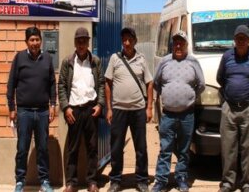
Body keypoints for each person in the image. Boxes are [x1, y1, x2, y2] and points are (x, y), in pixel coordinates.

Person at [216, 25, 249, 192]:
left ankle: (247, 183)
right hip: (229, 108)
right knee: (228, 148)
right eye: (238, 38)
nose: (240, 41)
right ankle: (227, 183)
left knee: (248, 148)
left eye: (243, 38)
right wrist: (230, 94)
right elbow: (220, 78)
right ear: (234, 39)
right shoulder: (226, 57)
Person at [151, 31, 205, 192]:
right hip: (168, 114)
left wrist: (188, 97)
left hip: (187, 114)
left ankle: (181, 178)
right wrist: (168, 95)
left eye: (181, 42)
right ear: (172, 45)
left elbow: (201, 85)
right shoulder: (164, 62)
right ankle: (161, 180)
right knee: (165, 148)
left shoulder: (193, 62)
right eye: (175, 43)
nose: (178, 45)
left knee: (184, 149)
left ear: (186, 45)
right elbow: (156, 83)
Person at [7, 27, 57, 192]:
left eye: (37, 39)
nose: (35, 43)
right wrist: (12, 108)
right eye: (32, 40)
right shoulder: (19, 58)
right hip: (24, 112)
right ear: (27, 42)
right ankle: (20, 181)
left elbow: (51, 84)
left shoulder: (47, 58)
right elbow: (11, 84)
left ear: (40, 41)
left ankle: (44, 182)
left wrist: (52, 105)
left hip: (42, 112)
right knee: (22, 148)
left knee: (43, 149)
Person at [104, 27, 154, 192]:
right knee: (116, 147)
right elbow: (108, 83)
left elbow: (149, 83)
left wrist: (149, 107)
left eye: (130, 40)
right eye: (124, 40)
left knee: (141, 147)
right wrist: (109, 108)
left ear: (135, 41)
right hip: (118, 110)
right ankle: (116, 180)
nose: (127, 43)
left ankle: (141, 180)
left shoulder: (141, 59)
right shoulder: (115, 58)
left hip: (138, 110)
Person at [58, 27, 105, 192]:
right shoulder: (67, 62)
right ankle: (71, 182)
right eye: (79, 41)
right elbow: (62, 86)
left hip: (91, 109)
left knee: (92, 148)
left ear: (88, 42)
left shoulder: (96, 61)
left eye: (84, 41)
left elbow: (101, 84)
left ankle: (92, 181)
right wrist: (65, 108)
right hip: (74, 111)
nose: (82, 44)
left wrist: (100, 104)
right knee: (73, 148)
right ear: (75, 43)